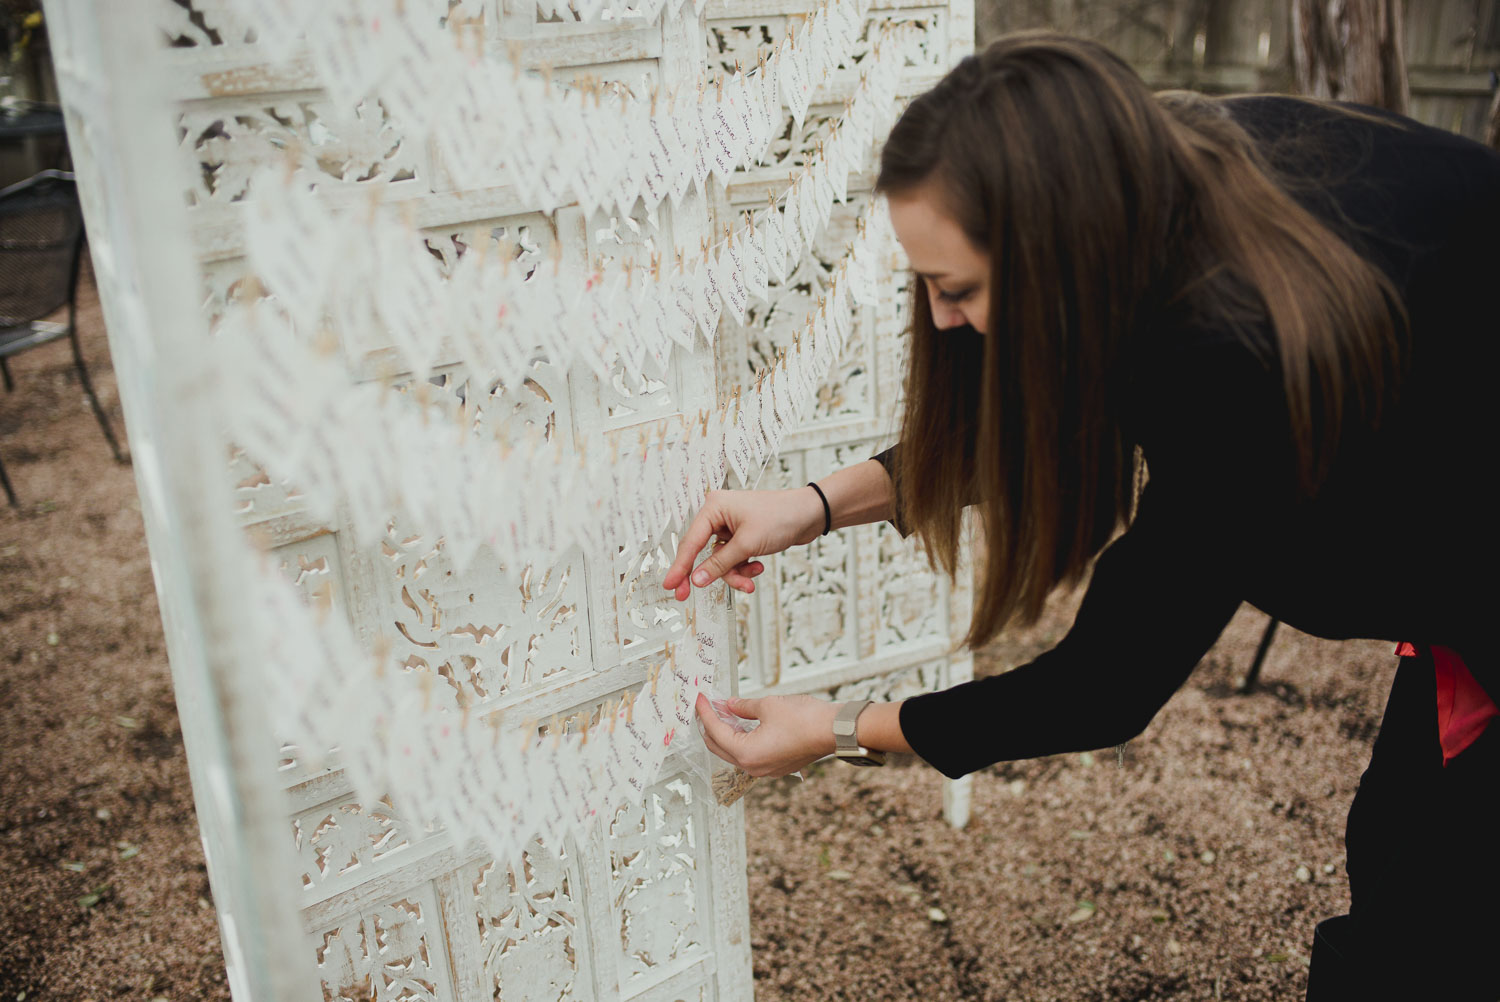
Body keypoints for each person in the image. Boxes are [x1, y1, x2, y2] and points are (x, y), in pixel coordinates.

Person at [660, 32, 1500, 1000]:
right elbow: (1030, 418)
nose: (937, 320)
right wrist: (809, 508)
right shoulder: (1161, 167)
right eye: (925, 283)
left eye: (960, 289)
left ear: (1062, 249)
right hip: (1459, 576)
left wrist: (838, 725)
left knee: (1418, 940)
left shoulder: (1229, 356)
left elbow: (1105, 684)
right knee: (1398, 856)